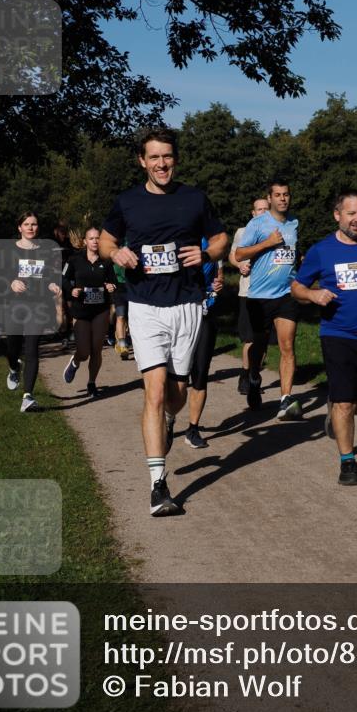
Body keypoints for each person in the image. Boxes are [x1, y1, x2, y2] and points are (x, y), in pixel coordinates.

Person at [99, 128, 227, 517]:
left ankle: (173, 416)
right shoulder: (127, 202)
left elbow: (221, 240)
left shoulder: (194, 198)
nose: (161, 164)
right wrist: (117, 253)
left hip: (187, 303)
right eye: (153, 157)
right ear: (142, 160)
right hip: (144, 305)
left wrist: (205, 254)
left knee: (177, 393)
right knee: (153, 393)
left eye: (167, 156)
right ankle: (158, 485)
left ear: (175, 159)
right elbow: (105, 241)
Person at [292, 191, 357, 485]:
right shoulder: (321, 251)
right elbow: (297, 288)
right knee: (344, 403)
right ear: (337, 215)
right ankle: (348, 462)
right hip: (337, 335)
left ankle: (338, 409)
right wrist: (313, 294)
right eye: (351, 213)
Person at [234, 179, 301, 419]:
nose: (283, 198)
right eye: (278, 195)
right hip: (259, 296)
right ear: (270, 198)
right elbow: (239, 253)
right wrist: (268, 243)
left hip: (286, 294)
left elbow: (293, 252)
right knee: (259, 346)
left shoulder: (294, 222)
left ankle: (285, 399)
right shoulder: (258, 223)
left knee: (287, 346)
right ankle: (253, 376)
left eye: (286, 194)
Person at [3, 211, 62, 412]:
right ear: (19, 227)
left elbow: (50, 276)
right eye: (26, 224)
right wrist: (11, 282)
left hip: (37, 305)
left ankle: (28, 396)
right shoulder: (10, 250)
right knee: (12, 346)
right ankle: (13, 367)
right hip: (14, 305)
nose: (30, 227)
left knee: (32, 348)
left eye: (34, 224)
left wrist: (53, 285)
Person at [62, 225, 117, 398]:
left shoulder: (106, 261)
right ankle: (75, 361)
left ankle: (92, 383)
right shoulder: (74, 259)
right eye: (91, 238)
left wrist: (111, 286)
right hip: (81, 310)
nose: (95, 241)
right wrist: (71, 290)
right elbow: (63, 278)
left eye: (97, 238)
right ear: (85, 241)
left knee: (96, 349)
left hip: (100, 310)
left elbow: (113, 282)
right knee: (84, 351)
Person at [184, 239, 224, 449]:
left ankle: (193, 428)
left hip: (205, 313)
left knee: (200, 373)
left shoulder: (211, 244)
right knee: (178, 376)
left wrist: (216, 285)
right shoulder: (175, 237)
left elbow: (218, 276)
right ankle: (168, 418)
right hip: (179, 315)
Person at [229, 198, 269, 394]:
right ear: (253, 213)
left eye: (266, 209)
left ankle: (255, 374)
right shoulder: (243, 232)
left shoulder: (278, 233)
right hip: (248, 292)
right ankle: (245, 377)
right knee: (250, 339)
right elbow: (232, 256)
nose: (262, 212)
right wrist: (239, 265)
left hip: (271, 293)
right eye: (259, 209)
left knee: (264, 340)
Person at [52, 219, 75, 348]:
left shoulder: (68, 244)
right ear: (56, 231)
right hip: (55, 277)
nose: (62, 233)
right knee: (60, 308)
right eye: (60, 230)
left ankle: (71, 331)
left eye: (64, 230)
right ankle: (63, 335)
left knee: (71, 307)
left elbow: (73, 259)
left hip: (68, 277)